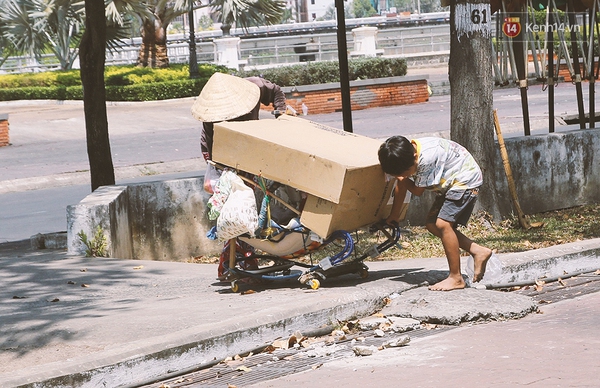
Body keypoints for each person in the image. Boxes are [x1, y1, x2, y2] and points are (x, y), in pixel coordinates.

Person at [378, 135, 493, 291]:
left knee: (443, 224)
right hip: (452, 183)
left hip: (465, 180)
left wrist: (402, 179)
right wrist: (394, 215)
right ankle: (478, 251)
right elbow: (402, 183)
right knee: (432, 225)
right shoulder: (408, 153)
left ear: (413, 157)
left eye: (407, 173)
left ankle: (456, 278)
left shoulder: (426, 159)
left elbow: (416, 190)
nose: (406, 176)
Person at [191, 72, 288, 162]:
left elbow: (276, 91)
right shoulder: (211, 115)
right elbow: (213, 147)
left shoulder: (254, 85)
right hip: (224, 144)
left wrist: (280, 113)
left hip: (250, 138)